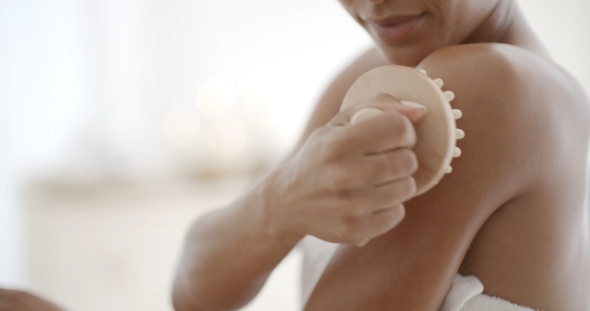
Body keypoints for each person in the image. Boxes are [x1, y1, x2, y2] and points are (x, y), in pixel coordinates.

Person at [172, 0, 590, 310]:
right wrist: (280, 201)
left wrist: (278, 206)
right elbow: (193, 287)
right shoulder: (378, 71)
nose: (373, 5)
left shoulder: (482, 86)